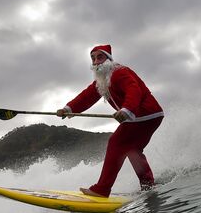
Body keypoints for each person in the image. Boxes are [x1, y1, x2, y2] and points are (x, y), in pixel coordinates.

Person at [57, 44, 164, 198]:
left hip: (145, 114)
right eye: (93, 58)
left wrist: (127, 109)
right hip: (141, 116)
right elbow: (87, 96)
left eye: (100, 57)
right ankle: (148, 185)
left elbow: (134, 90)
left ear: (109, 58)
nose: (95, 61)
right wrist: (68, 109)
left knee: (116, 142)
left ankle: (102, 189)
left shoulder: (119, 72)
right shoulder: (102, 80)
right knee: (132, 150)